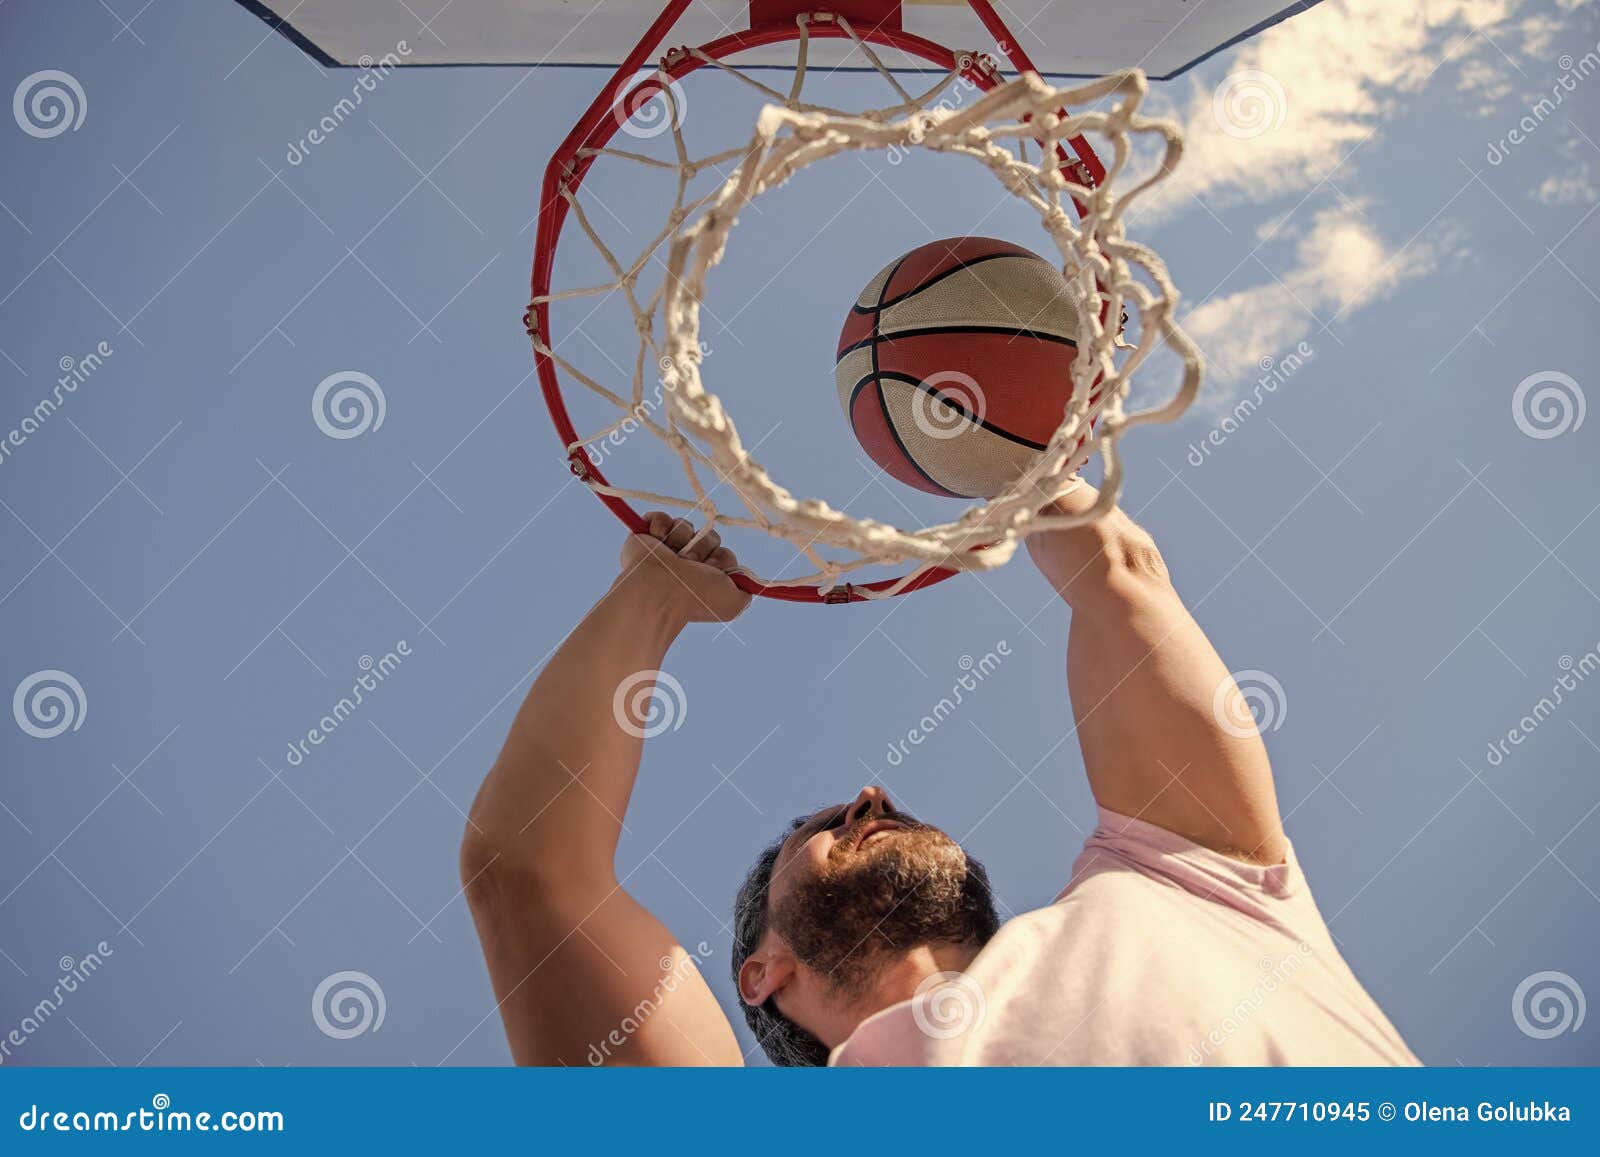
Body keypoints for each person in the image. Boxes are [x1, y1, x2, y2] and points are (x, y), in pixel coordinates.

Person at [460, 484, 1418, 1065]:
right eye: (828, 823)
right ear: (762, 974)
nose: (872, 795)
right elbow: (528, 873)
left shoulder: (1188, 880)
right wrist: (651, 597)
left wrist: (1017, 448)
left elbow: (1117, 573)